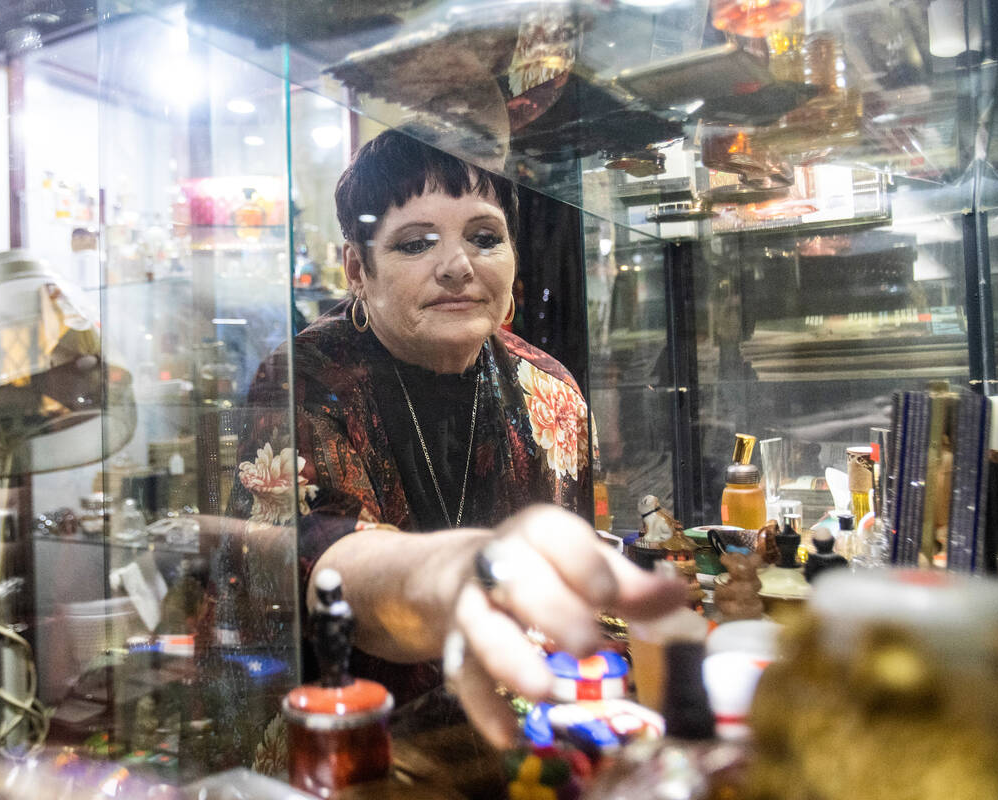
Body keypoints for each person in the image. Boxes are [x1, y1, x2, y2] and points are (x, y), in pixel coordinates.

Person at [231, 129, 684, 749]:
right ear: (357, 268)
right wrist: (449, 578)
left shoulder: (550, 388)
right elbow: (322, 559)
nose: (457, 266)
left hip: (525, 738)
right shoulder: (304, 380)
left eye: (484, 237)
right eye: (416, 243)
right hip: (363, 745)